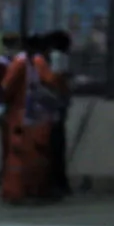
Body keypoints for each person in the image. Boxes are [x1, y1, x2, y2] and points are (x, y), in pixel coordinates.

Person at [0, 34, 46, 203]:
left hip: (29, 112)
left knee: (29, 152)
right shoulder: (20, 63)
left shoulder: (32, 62)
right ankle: (14, 191)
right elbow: (7, 86)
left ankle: (27, 189)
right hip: (19, 112)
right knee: (17, 152)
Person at [42, 31, 74, 199]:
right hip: (56, 106)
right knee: (57, 143)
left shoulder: (46, 58)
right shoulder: (59, 58)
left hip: (50, 106)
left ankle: (53, 181)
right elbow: (59, 80)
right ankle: (58, 182)